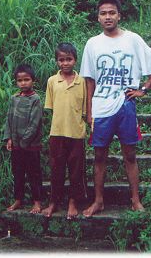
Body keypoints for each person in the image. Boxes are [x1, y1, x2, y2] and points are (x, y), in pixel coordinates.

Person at [80, 0, 151, 217]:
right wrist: (89, 110)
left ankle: (135, 200)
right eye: (103, 13)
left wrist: (143, 89)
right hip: (101, 108)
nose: (108, 17)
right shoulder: (93, 43)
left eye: (112, 12)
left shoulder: (133, 40)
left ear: (119, 15)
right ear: (98, 17)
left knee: (130, 154)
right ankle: (98, 201)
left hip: (126, 107)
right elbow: (89, 80)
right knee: (99, 156)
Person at [41, 42, 87, 220]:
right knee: (56, 168)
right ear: (57, 61)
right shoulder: (52, 81)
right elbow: (52, 108)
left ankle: (74, 201)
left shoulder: (81, 81)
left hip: (76, 132)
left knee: (76, 169)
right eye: (61, 60)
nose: (65, 63)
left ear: (75, 60)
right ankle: (54, 201)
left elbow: (84, 108)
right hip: (57, 132)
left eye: (69, 59)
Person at [3, 64, 43, 214]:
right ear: (16, 82)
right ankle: (18, 199)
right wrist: (9, 139)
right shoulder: (14, 98)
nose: (23, 83)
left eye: (26, 79)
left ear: (32, 80)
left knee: (34, 173)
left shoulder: (35, 99)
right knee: (18, 172)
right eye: (20, 80)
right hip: (16, 145)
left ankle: (37, 202)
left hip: (31, 145)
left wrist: (24, 142)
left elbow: (34, 123)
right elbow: (9, 119)